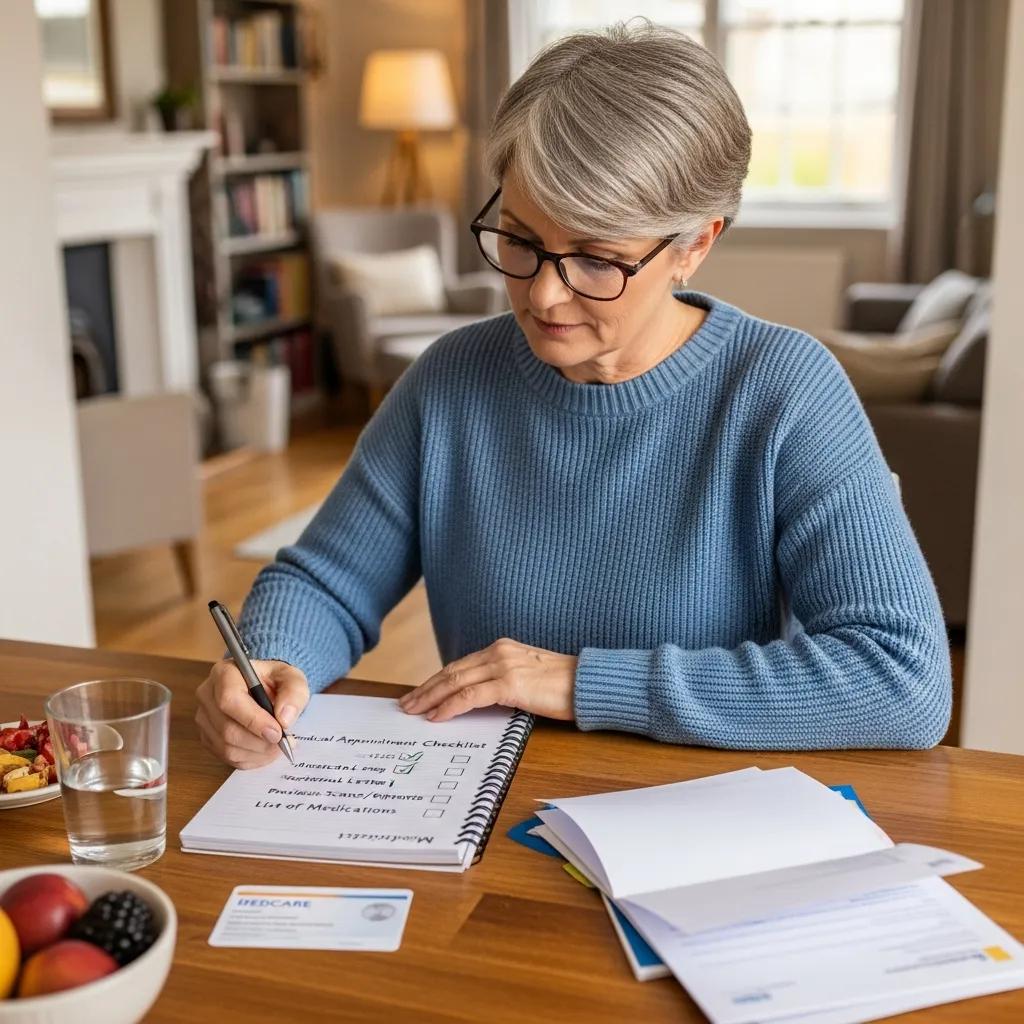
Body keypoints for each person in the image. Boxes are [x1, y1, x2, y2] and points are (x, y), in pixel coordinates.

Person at [195, 21, 951, 769]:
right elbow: (325, 581)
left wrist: (582, 682)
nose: (545, 295)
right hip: (480, 806)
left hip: (697, 821)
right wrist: (270, 659)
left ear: (697, 243)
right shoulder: (451, 380)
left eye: (596, 258)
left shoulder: (784, 389)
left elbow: (901, 677)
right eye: (520, 241)